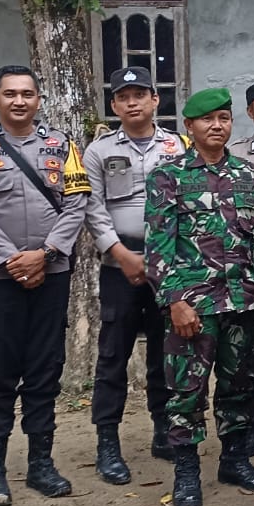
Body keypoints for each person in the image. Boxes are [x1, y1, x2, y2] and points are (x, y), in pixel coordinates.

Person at [0, 65, 91, 506]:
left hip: (50, 274)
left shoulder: (62, 146)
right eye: (9, 94)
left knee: (44, 368)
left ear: (38, 99)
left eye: (27, 94)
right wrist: (12, 260)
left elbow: (77, 202)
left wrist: (46, 253)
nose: (19, 101)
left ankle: (41, 464)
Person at [145, 86, 254, 506]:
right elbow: (158, 245)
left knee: (239, 386)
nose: (217, 126)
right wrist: (174, 300)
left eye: (223, 118)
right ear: (190, 126)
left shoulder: (247, 175)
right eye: (207, 119)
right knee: (186, 389)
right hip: (193, 304)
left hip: (242, 301)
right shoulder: (167, 177)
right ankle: (186, 470)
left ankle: (234, 458)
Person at [83, 67, 186, 483]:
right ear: (114, 105)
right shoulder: (98, 150)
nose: (132, 102)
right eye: (123, 96)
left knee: (165, 352)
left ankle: (163, 431)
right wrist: (121, 253)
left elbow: (184, 202)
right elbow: (92, 207)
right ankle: (107, 441)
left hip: (168, 268)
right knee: (113, 356)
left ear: (155, 100)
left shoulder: (176, 145)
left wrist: (164, 259)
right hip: (118, 267)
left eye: (140, 94)